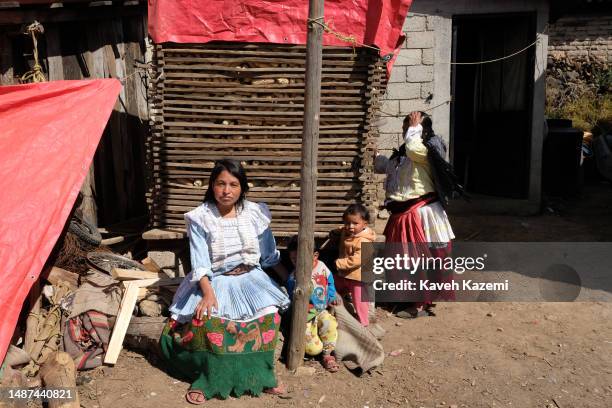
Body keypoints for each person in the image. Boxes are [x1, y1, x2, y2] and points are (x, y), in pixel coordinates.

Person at [160, 159, 290, 404]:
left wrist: (287, 279)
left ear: (243, 188)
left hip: (251, 279)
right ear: (211, 185)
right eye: (220, 184)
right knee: (208, 323)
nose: (226, 190)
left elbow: (269, 255)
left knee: (269, 318)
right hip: (215, 281)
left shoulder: (255, 213)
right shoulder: (201, 217)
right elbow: (199, 262)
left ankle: (262, 377)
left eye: (233, 184)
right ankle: (210, 379)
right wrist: (208, 294)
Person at [374, 111, 455, 318]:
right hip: (402, 215)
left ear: (421, 129)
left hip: (421, 214)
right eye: (405, 128)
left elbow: (412, 147)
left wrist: (414, 127)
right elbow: (386, 166)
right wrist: (373, 156)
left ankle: (420, 304)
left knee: (420, 261)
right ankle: (408, 297)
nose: (405, 132)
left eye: (407, 127)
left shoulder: (425, 151)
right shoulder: (403, 154)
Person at [285, 237, 341, 372]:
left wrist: (332, 296)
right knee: (313, 349)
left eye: (301, 258)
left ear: (315, 255)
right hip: (305, 316)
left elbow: (330, 283)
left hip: (321, 310)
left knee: (330, 323)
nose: (298, 263)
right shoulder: (294, 276)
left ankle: (327, 355)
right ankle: (318, 350)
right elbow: (290, 295)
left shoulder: (322, 267)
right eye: (293, 260)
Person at [334, 204, 376, 327]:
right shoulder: (347, 231)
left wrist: (339, 263)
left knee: (359, 301)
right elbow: (342, 228)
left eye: (355, 223)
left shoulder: (364, 240)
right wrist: (336, 232)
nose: (350, 227)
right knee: (332, 289)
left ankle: (363, 323)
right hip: (345, 275)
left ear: (365, 224)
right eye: (347, 223)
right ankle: (339, 312)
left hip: (359, 278)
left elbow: (357, 260)